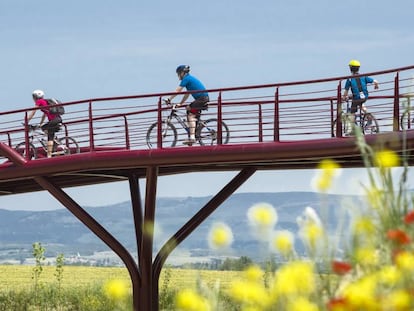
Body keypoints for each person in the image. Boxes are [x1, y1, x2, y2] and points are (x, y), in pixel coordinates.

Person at [166, 65, 209, 145]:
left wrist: (169, 99)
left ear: (182, 73)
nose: (178, 76)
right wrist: (180, 103)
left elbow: (178, 90)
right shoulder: (189, 79)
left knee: (190, 115)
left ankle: (192, 137)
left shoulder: (186, 79)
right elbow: (187, 94)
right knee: (189, 110)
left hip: (202, 99)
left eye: (178, 73)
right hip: (202, 98)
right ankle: (194, 133)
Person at [27, 89, 62, 158]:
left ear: (35, 97)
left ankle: (49, 155)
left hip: (54, 120)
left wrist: (27, 120)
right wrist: (41, 123)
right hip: (57, 119)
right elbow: (45, 114)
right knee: (43, 127)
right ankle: (54, 141)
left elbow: (33, 112)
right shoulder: (44, 102)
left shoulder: (39, 102)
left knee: (49, 135)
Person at [342, 59, 379, 126]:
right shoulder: (363, 76)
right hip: (365, 96)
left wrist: (344, 97)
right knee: (361, 104)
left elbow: (346, 91)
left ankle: (354, 129)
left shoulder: (349, 79)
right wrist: (376, 85)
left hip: (356, 97)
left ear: (350, 68)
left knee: (352, 113)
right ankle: (368, 115)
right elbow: (375, 81)